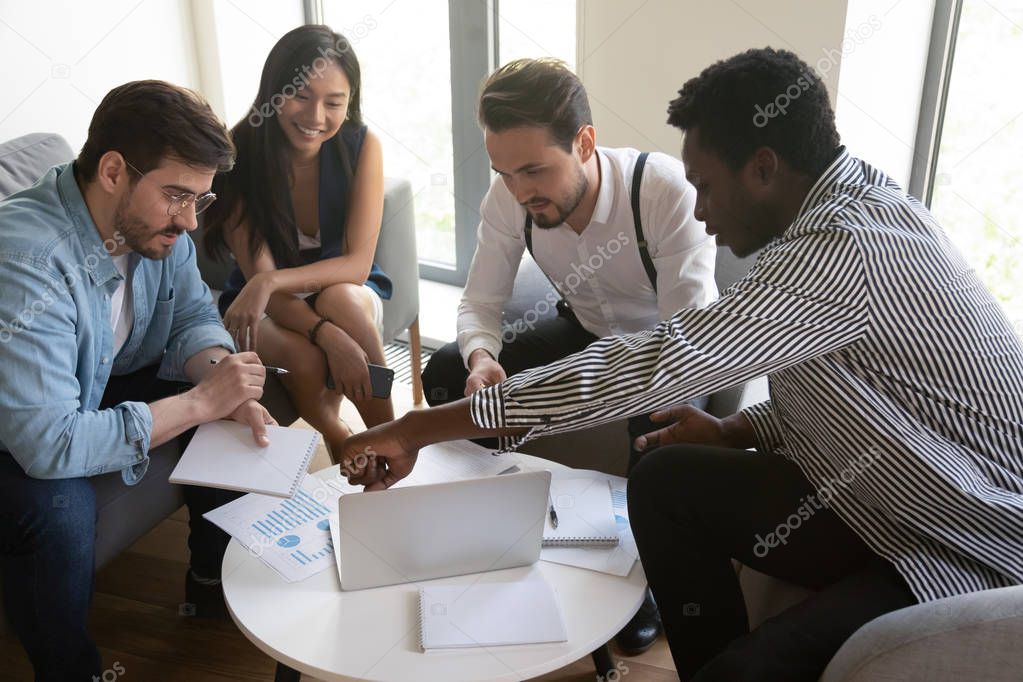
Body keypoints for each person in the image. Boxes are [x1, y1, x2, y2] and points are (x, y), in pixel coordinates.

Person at [338, 47, 1023, 682]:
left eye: (706, 185)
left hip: (956, 539)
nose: (698, 208)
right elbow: (853, 393)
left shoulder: (844, 250)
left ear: (762, 167)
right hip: (873, 497)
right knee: (667, 478)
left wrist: (420, 428)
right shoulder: (851, 207)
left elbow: (663, 359)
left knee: (747, 668)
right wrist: (734, 431)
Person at [419, 58, 718, 653]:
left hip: (668, 350)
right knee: (447, 372)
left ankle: (648, 584)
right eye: (505, 172)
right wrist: (483, 359)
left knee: (658, 430)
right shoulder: (509, 199)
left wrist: (623, 384)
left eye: (534, 169)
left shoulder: (660, 191)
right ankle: (510, 517)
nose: (520, 190)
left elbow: (691, 337)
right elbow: (479, 303)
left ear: (584, 142)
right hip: (579, 327)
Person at [0, 80, 274, 681]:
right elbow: (51, 444)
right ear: (114, 171)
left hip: (93, 388)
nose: (191, 220)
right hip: (19, 433)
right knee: (59, 512)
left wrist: (220, 379)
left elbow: (193, 316)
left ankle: (210, 582)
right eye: (178, 196)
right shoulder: (28, 263)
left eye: (201, 199)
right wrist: (202, 400)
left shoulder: (159, 230)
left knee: (245, 391)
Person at [203, 25, 394, 460]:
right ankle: (340, 438)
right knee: (304, 358)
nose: (315, 117)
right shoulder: (238, 156)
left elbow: (357, 266)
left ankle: (394, 437)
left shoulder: (363, 146)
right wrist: (325, 335)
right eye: (301, 96)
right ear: (274, 90)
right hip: (262, 305)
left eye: (334, 102)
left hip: (337, 289)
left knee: (342, 300)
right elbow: (259, 285)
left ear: (351, 102)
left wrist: (272, 283)